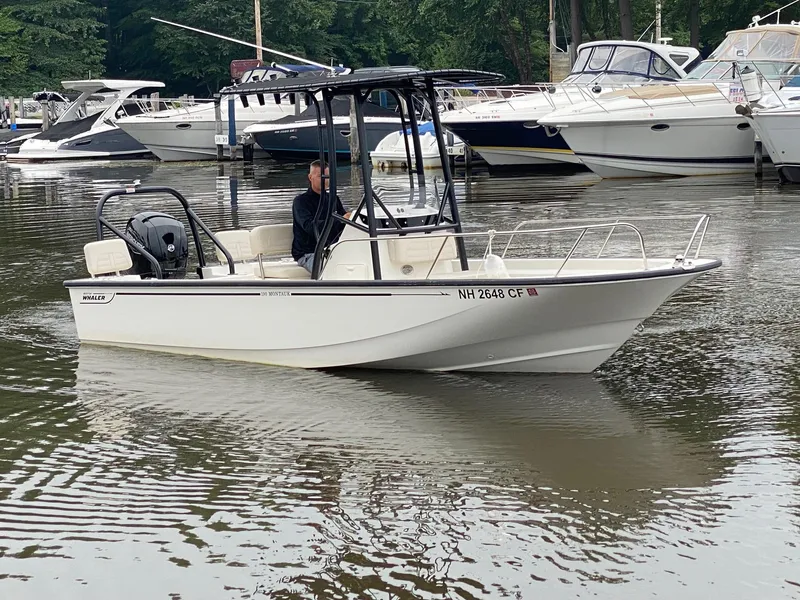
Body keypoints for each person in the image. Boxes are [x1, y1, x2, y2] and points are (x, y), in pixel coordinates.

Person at [291, 160, 350, 273]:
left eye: (327, 176)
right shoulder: (301, 202)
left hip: (332, 250)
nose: (325, 180)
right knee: (330, 270)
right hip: (309, 253)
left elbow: (343, 224)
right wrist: (339, 220)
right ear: (310, 177)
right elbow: (309, 227)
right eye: (320, 176)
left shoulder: (333, 199)